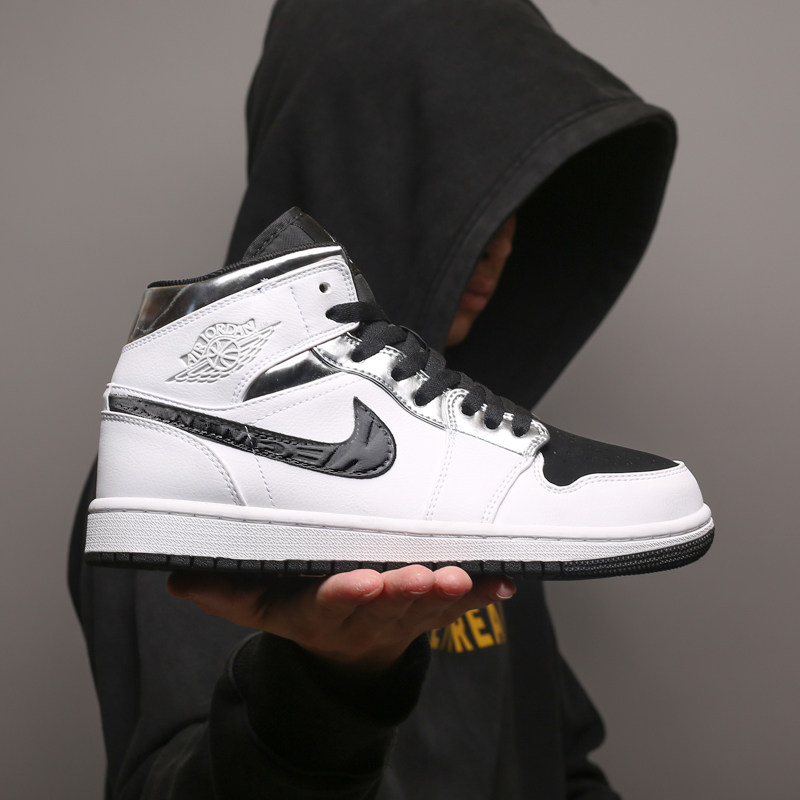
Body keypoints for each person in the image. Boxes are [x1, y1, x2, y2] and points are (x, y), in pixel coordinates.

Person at [69, 1, 678, 797]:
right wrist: (330, 683)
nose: (503, 240)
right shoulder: (204, 461)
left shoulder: (471, 480)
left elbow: (556, 764)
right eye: (460, 176)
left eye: (520, 192)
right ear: (358, 162)